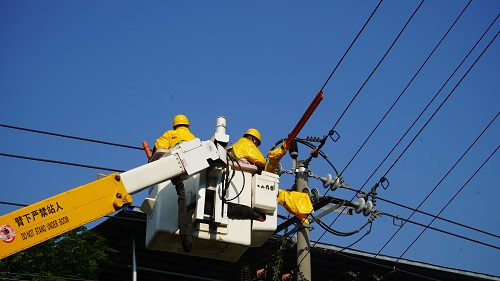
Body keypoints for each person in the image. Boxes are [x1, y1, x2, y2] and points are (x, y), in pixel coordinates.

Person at [154, 114, 196, 253]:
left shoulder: (170, 134)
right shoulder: (193, 138)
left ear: (175, 125)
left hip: (173, 168)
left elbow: (159, 147)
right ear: (188, 126)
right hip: (190, 173)